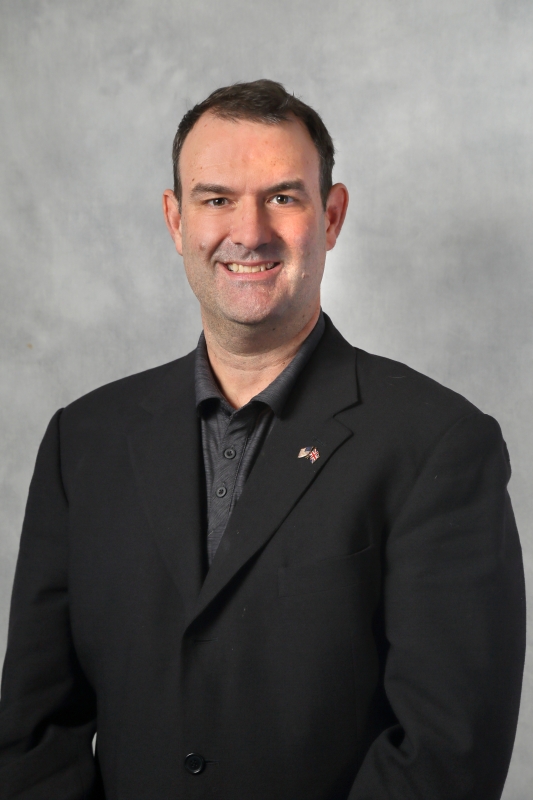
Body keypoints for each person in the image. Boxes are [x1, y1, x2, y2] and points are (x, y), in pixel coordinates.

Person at [0, 79, 525, 800]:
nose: (249, 232)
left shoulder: (438, 444)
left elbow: (446, 755)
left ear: (331, 217)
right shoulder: (82, 441)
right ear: (176, 219)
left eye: (282, 197)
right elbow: (33, 738)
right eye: (216, 199)